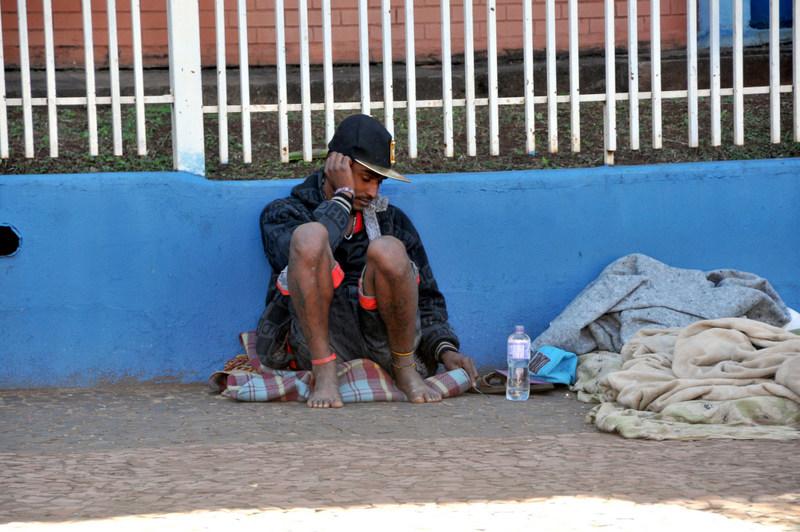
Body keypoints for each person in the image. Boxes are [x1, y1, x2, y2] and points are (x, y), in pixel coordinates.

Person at [255, 114, 478, 408]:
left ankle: (404, 369)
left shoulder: (391, 219)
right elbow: (294, 260)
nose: (373, 192)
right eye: (365, 178)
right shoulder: (284, 214)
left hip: (386, 345)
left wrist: (443, 349)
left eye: (379, 182)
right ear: (337, 166)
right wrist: (343, 197)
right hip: (318, 345)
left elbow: (427, 298)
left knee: (388, 249)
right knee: (310, 237)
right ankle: (324, 372)